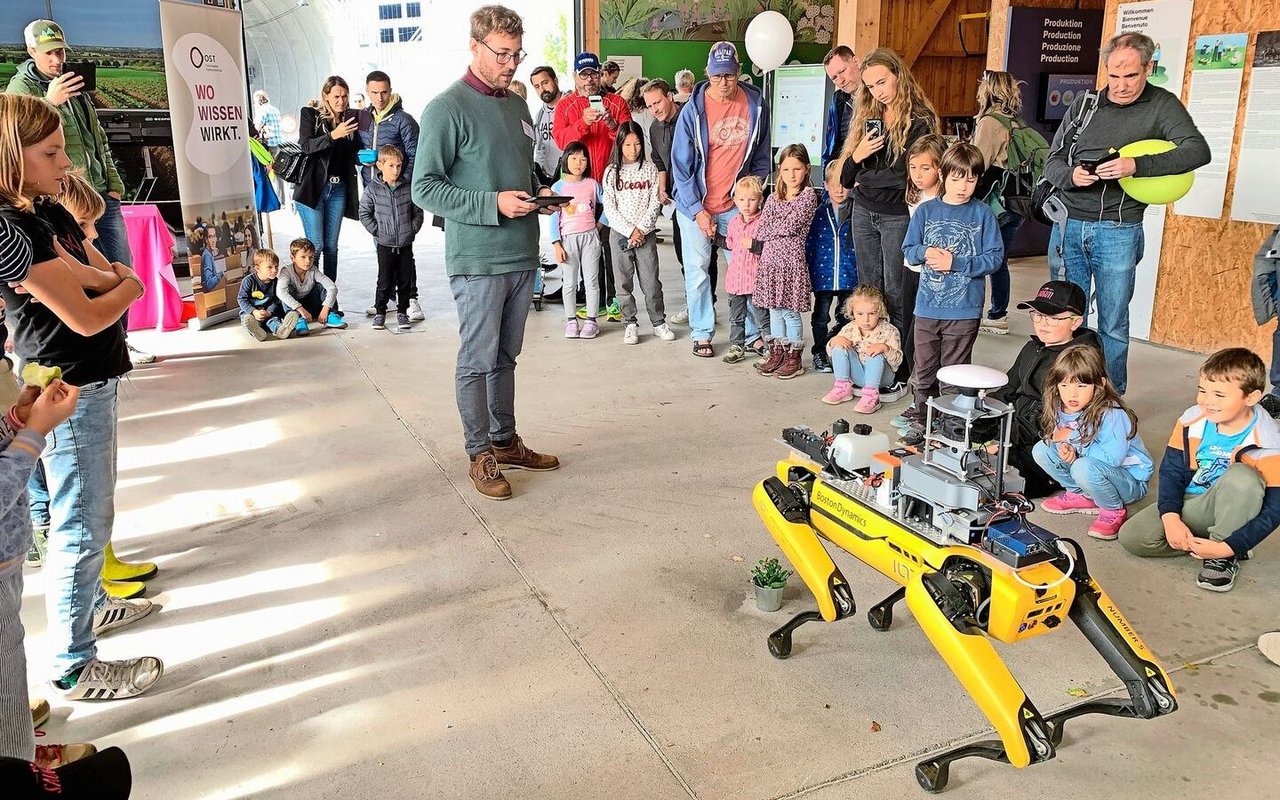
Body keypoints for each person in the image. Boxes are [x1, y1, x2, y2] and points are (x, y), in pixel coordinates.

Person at [0, 97, 162, 702]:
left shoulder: (38, 214)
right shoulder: (13, 228)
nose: (65, 163)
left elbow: (94, 274)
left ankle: (91, 606)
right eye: (51, 153)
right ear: (14, 157)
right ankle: (73, 663)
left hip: (84, 377)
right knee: (81, 522)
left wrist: (116, 282)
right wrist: (134, 285)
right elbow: (88, 312)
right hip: (68, 382)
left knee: (90, 512)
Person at [413, 4, 562, 501]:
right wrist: (493, 204)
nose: (511, 65)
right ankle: (479, 453)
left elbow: (515, 173)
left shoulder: (516, 106)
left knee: (506, 357)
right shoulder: (445, 108)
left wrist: (537, 198)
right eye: (502, 54)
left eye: (517, 55)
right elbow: (425, 189)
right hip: (477, 259)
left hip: (522, 252)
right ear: (474, 45)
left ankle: (505, 440)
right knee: (477, 360)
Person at [1043, 32, 1210, 395]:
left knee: (1113, 323)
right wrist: (1071, 175)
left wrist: (1136, 165)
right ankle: (1067, 395)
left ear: (1148, 68)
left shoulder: (1162, 105)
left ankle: (1111, 400)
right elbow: (1051, 161)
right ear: (1105, 69)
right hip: (1069, 224)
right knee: (1066, 317)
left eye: (1131, 76)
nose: (1120, 86)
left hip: (1119, 229)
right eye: (1113, 76)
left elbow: (1198, 151)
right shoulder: (1085, 104)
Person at [7, 19, 154, 366]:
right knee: (76, 270)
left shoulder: (78, 88)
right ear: (31, 52)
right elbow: (18, 141)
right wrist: (50, 102)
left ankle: (120, 339)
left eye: (60, 51)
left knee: (119, 262)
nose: (58, 60)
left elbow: (97, 138)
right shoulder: (21, 91)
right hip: (63, 197)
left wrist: (114, 184)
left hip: (98, 194)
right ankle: (88, 347)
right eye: (50, 53)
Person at [1119, 348, 1280, 592]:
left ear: (1251, 397)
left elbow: (1274, 508)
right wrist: (1171, 517)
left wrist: (1227, 546)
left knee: (1242, 478)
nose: (1206, 401)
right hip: (1194, 502)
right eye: (1202, 390)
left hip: (1236, 505)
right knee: (1133, 537)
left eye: (1219, 394)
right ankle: (1215, 544)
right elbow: (1171, 472)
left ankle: (1223, 554)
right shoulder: (1191, 421)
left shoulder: (1268, 440)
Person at [839, 48, 940, 393]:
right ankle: (870, 360)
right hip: (864, 213)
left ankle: (897, 364)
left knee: (897, 292)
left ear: (898, 74)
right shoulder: (867, 114)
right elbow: (845, 177)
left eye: (882, 81)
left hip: (899, 214)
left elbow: (908, 178)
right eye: (870, 86)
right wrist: (858, 156)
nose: (878, 91)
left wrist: (866, 176)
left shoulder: (920, 120)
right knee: (869, 289)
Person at [671, 41, 772, 358]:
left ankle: (752, 333)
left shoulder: (756, 105)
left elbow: (761, 157)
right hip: (696, 205)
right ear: (708, 74)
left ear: (739, 72)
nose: (724, 82)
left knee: (748, 269)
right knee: (699, 271)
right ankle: (702, 332)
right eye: (717, 76)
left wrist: (753, 194)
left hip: (737, 208)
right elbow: (681, 167)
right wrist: (698, 210)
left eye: (729, 75)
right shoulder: (693, 110)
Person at [899, 142, 1003, 446]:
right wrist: (925, 251)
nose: (963, 186)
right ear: (943, 175)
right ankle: (922, 418)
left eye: (971, 179)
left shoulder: (983, 215)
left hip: (964, 310)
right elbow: (908, 249)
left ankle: (950, 428)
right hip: (927, 307)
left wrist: (955, 263)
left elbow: (995, 258)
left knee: (954, 373)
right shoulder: (925, 211)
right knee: (924, 367)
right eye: (957, 178)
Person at [989, 280, 1103, 498]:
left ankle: (1060, 480)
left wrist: (1005, 440)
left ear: (1075, 322)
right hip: (1018, 431)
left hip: (1049, 441)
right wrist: (982, 416)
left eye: (1053, 318)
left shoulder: (1079, 361)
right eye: (1038, 315)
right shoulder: (1032, 347)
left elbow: (1058, 417)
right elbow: (1008, 389)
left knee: (1001, 485)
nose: (1043, 323)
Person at [1032, 345, 1152, 540]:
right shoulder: (1058, 404)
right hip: (1092, 467)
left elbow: (1112, 460)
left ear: (1100, 384)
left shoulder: (1112, 414)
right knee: (1041, 450)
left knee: (1082, 467)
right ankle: (1082, 495)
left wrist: (1072, 439)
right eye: (1064, 385)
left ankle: (1113, 510)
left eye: (1081, 386)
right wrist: (1066, 447)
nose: (1072, 394)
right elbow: (1061, 435)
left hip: (1129, 482)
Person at [553, 52, 632, 320]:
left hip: (613, 187)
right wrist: (582, 123)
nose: (589, 80)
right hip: (580, 189)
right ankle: (592, 299)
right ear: (575, 77)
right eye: (583, 74)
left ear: (600, 74)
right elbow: (562, 142)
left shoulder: (617, 103)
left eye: (593, 74)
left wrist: (611, 125)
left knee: (613, 246)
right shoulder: (565, 107)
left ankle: (616, 301)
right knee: (586, 243)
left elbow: (630, 142)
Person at [644, 78, 719, 314]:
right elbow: (659, 160)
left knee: (708, 254)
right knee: (683, 252)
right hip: (679, 202)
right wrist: (662, 186)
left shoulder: (690, 120)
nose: (655, 109)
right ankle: (695, 301)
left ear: (670, 96)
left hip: (703, 195)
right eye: (649, 105)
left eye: (657, 102)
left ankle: (709, 303)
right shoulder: (654, 128)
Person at [971, 70, 1031, 336]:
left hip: (995, 200)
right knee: (1000, 257)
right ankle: (998, 312)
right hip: (1017, 199)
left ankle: (992, 313)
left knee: (982, 257)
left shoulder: (990, 122)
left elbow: (978, 162)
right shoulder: (1016, 121)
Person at [752, 144, 820, 379]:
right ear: (779, 170)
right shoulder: (772, 197)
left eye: (797, 169)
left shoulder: (809, 195)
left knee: (790, 312)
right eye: (786, 169)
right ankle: (777, 353)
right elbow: (761, 230)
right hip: (770, 262)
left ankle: (794, 358)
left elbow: (791, 226)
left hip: (791, 262)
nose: (791, 175)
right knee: (774, 311)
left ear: (807, 169)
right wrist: (774, 228)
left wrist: (773, 227)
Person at [602, 122, 671, 346]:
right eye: (628, 144)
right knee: (623, 283)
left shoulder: (650, 169)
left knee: (651, 282)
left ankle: (658, 321)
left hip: (646, 234)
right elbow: (609, 207)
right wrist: (630, 230)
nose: (633, 150)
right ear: (619, 144)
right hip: (621, 234)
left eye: (637, 144)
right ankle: (629, 323)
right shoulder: (612, 172)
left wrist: (641, 229)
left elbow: (654, 202)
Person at [295, 75, 360, 285]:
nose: (341, 101)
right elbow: (306, 146)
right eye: (336, 96)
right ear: (326, 96)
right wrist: (333, 134)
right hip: (313, 189)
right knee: (316, 245)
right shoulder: (310, 115)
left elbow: (354, 154)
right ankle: (313, 294)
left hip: (338, 189)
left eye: (344, 96)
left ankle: (329, 297)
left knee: (332, 247)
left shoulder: (350, 120)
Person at [359, 145, 424, 333]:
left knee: (405, 279)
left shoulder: (407, 188)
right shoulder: (372, 190)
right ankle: (380, 312)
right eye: (391, 166)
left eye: (398, 165)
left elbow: (417, 211)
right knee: (385, 279)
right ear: (380, 165)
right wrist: (377, 231)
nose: (395, 170)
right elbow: (364, 212)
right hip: (385, 243)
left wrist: (411, 230)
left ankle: (402, 312)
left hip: (405, 242)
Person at [549, 142, 604, 340]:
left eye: (582, 159)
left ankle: (591, 321)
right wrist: (556, 243)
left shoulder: (592, 184)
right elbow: (554, 217)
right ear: (565, 160)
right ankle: (571, 320)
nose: (578, 163)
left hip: (590, 238)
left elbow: (607, 204)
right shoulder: (558, 187)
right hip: (567, 240)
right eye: (573, 158)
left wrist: (599, 225)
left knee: (591, 281)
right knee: (569, 282)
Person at [806, 160, 857, 374]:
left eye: (844, 183)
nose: (839, 189)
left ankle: (840, 352)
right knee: (820, 317)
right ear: (825, 184)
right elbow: (810, 243)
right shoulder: (818, 213)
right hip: (823, 276)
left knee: (846, 317)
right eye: (833, 183)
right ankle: (819, 352)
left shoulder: (858, 213)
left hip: (849, 275)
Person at [822, 285, 903, 412]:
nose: (866, 320)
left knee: (874, 354)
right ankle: (842, 388)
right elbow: (831, 353)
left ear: (880, 312)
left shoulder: (890, 331)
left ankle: (872, 396)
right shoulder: (849, 328)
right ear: (852, 312)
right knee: (839, 345)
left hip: (882, 379)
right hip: (858, 377)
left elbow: (897, 363)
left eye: (872, 313)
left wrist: (885, 348)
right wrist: (833, 342)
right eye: (860, 314)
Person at [721, 176, 769, 364]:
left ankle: (770, 347)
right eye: (741, 199)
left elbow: (770, 249)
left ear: (760, 200)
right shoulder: (733, 222)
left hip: (755, 281)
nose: (746, 204)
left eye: (751, 199)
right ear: (735, 200)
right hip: (735, 281)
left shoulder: (763, 221)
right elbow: (730, 244)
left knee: (762, 318)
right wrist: (712, 236)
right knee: (736, 318)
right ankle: (737, 345)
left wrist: (756, 245)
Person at [277, 238, 347, 334]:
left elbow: (332, 287)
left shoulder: (313, 270)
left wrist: (326, 309)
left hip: (312, 306)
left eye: (311, 257)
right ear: (292, 258)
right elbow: (280, 293)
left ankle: (330, 315)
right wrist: (301, 310)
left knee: (322, 286)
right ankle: (298, 321)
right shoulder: (286, 272)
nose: (308, 261)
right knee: (287, 290)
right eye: (303, 257)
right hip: (296, 309)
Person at [238, 249, 301, 341]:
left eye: (276, 266)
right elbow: (241, 299)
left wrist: (269, 312)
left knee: (273, 320)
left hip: (268, 312)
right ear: (257, 268)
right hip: (251, 312)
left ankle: (280, 330)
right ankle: (257, 331)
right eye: (270, 267)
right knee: (247, 319)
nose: (275, 270)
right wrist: (254, 312)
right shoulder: (248, 281)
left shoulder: (276, 282)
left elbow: (276, 300)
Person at [821, 45, 860, 167]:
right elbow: (832, 147)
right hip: (845, 176)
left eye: (842, 71)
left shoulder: (879, 96)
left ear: (856, 61)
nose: (841, 80)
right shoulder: (838, 101)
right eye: (834, 78)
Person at [530, 66, 566, 186]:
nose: (542, 89)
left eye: (545, 83)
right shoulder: (540, 115)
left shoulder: (570, 106)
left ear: (555, 81)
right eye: (537, 86)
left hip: (569, 175)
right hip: (548, 178)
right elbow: (540, 148)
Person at [253, 90, 287, 203]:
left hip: (268, 145)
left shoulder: (262, 111)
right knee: (277, 171)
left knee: (266, 171)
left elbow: (256, 129)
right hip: (278, 143)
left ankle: (269, 199)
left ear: (257, 101)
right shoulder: (275, 109)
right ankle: (281, 199)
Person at [199, 226, 222, 291]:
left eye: (214, 236)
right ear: (206, 240)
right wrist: (221, 273)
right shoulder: (207, 256)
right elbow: (208, 284)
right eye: (210, 237)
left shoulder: (208, 253)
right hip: (210, 295)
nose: (213, 240)